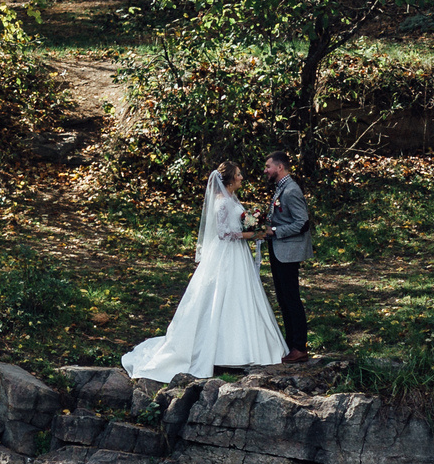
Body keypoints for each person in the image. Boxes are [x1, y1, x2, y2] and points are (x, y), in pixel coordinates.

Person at [120, 161, 287, 383]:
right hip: (226, 254)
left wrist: (250, 227)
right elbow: (223, 234)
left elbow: (236, 226)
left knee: (241, 297)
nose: (241, 177)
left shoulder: (231, 200)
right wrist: (250, 235)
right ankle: (220, 351)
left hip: (238, 255)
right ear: (229, 179)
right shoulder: (222, 203)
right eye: (238, 174)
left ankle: (246, 350)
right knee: (219, 297)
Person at [246, 153, 315, 364]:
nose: (265, 170)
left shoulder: (291, 190)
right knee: (283, 298)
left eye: (268, 166)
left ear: (280, 167)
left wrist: (273, 230)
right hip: (279, 251)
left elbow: (303, 223)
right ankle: (291, 343)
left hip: (288, 252)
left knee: (291, 298)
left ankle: (300, 346)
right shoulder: (281, 187)